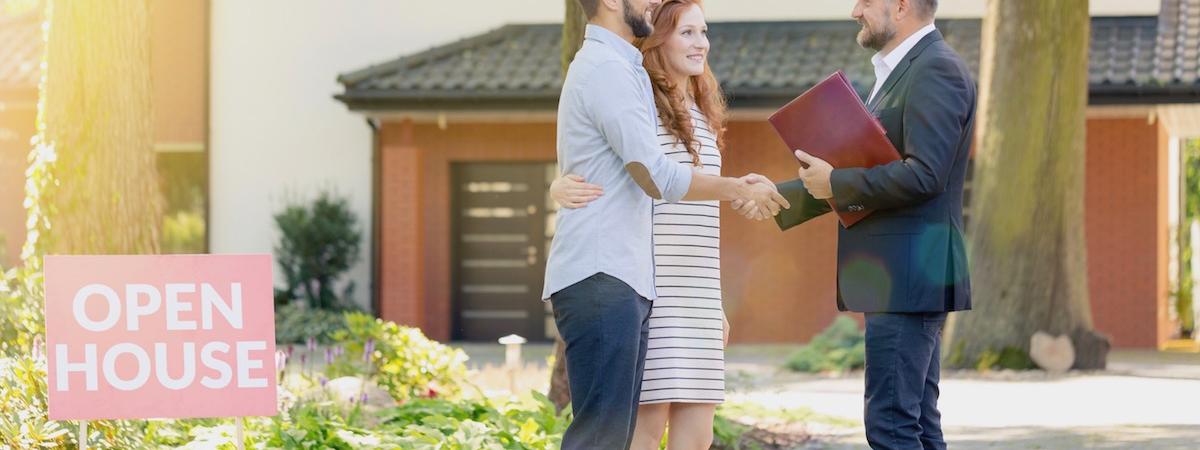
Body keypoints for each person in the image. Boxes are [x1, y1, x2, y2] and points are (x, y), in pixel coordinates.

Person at [542, 0, 789, 448]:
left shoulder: (633, 76)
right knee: (617, 434)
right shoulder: (613, 74)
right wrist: (738, 189)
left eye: (704, 32)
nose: (701, 43)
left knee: (674, 435)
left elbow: (614, 167)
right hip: (637, 275)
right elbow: (652, 175)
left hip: (662, 283)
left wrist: (715, 298)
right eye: (687, 32)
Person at [742, 0, 976, 448]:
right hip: (902, 278)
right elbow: (865, 167)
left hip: (907, 277)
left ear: (902, 6)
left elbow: (925, 175)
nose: (855, 10)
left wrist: (836, 181)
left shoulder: (935, 69)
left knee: (891, 428)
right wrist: (779, 197)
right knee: (916, 426)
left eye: (866, 1)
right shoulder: (904, 69)